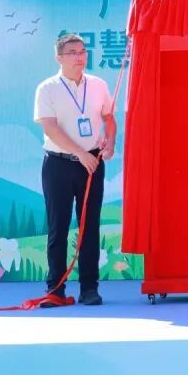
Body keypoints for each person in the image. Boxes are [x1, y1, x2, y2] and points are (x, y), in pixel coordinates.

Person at [34, 33, 117, 306]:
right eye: (72, 53)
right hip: (58, 164)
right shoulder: (47, 88)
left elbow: (109, 118)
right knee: (58, 226)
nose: (80, 57)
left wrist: (110, 142)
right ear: (58, 57)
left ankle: (89, 288)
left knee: (89, 227)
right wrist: (80, 153)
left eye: (82, 52)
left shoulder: (98, 85)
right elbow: (50, 128)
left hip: (91, 164)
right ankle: (55, 289)